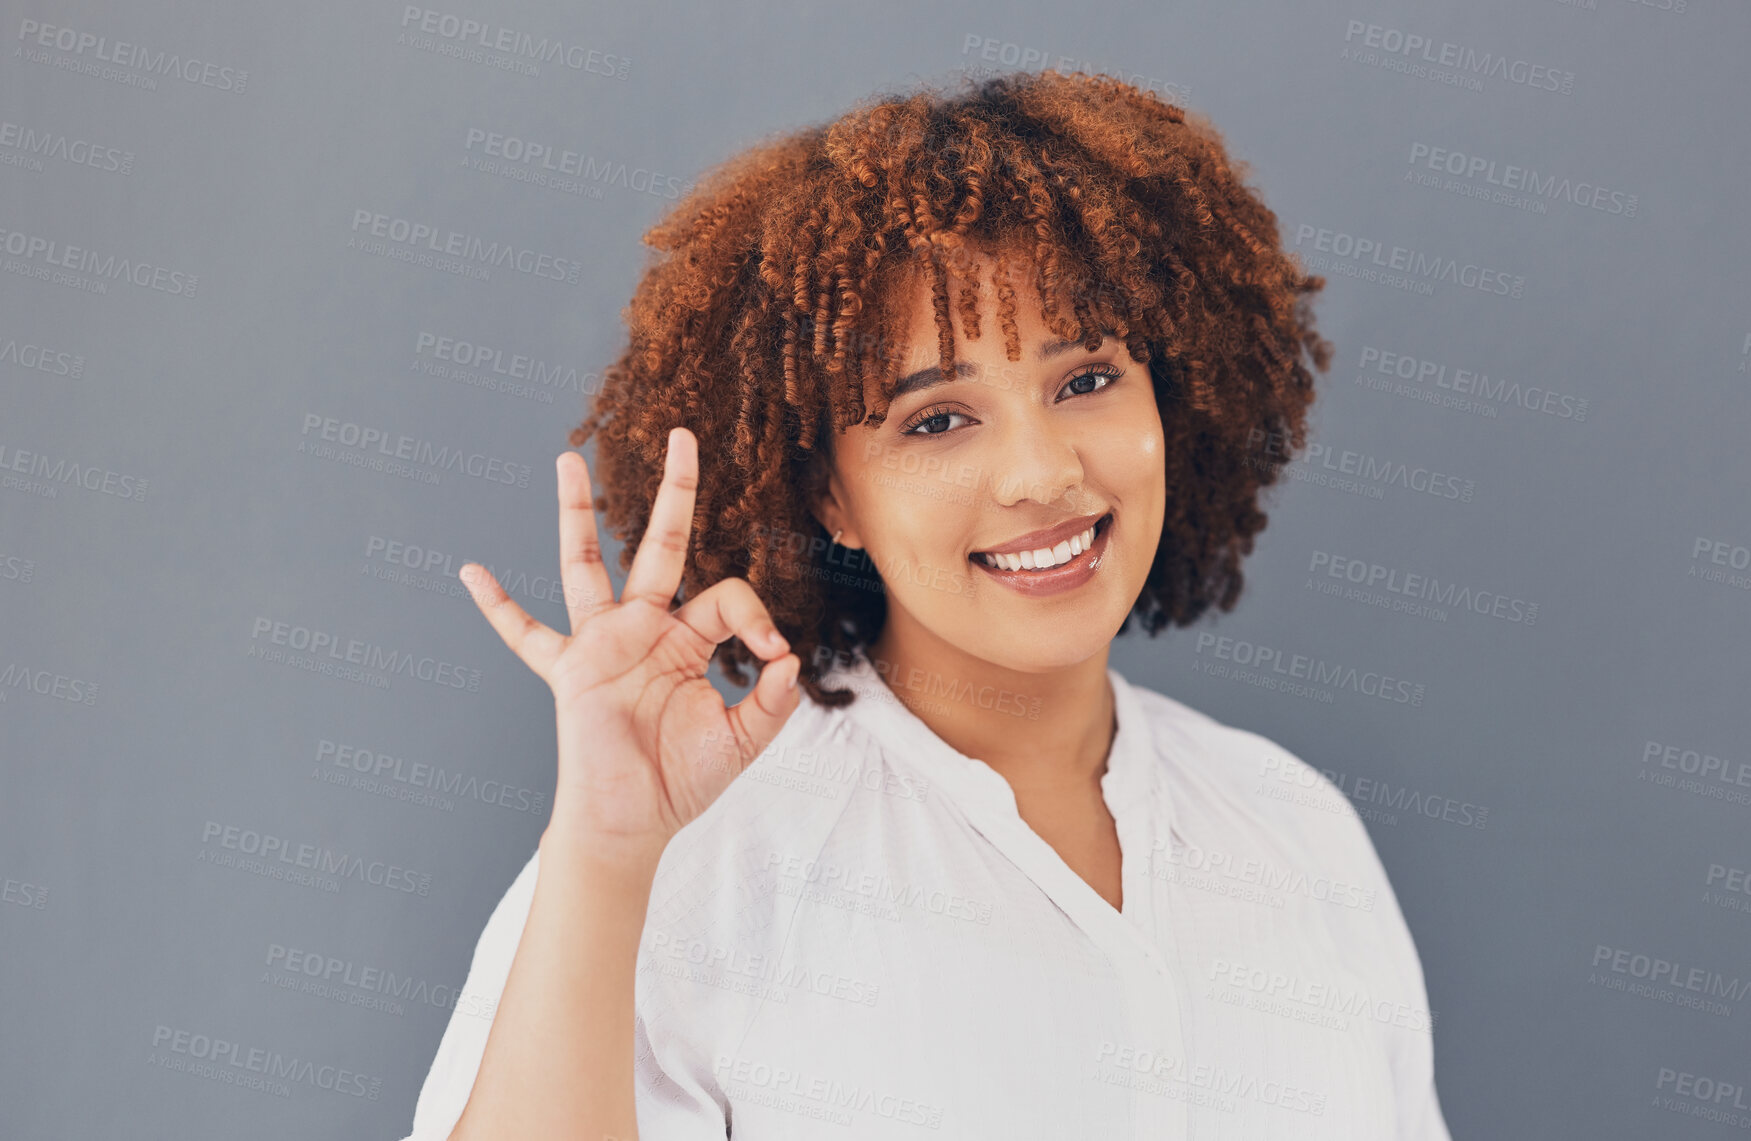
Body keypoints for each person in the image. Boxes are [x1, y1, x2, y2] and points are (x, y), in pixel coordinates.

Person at [399, 70, 1452, 1139]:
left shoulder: (1294, 829)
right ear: (829, 497)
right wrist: (606, 854)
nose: (1038, 474)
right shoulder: (688, 863)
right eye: (936, 421)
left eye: (1085, 380)